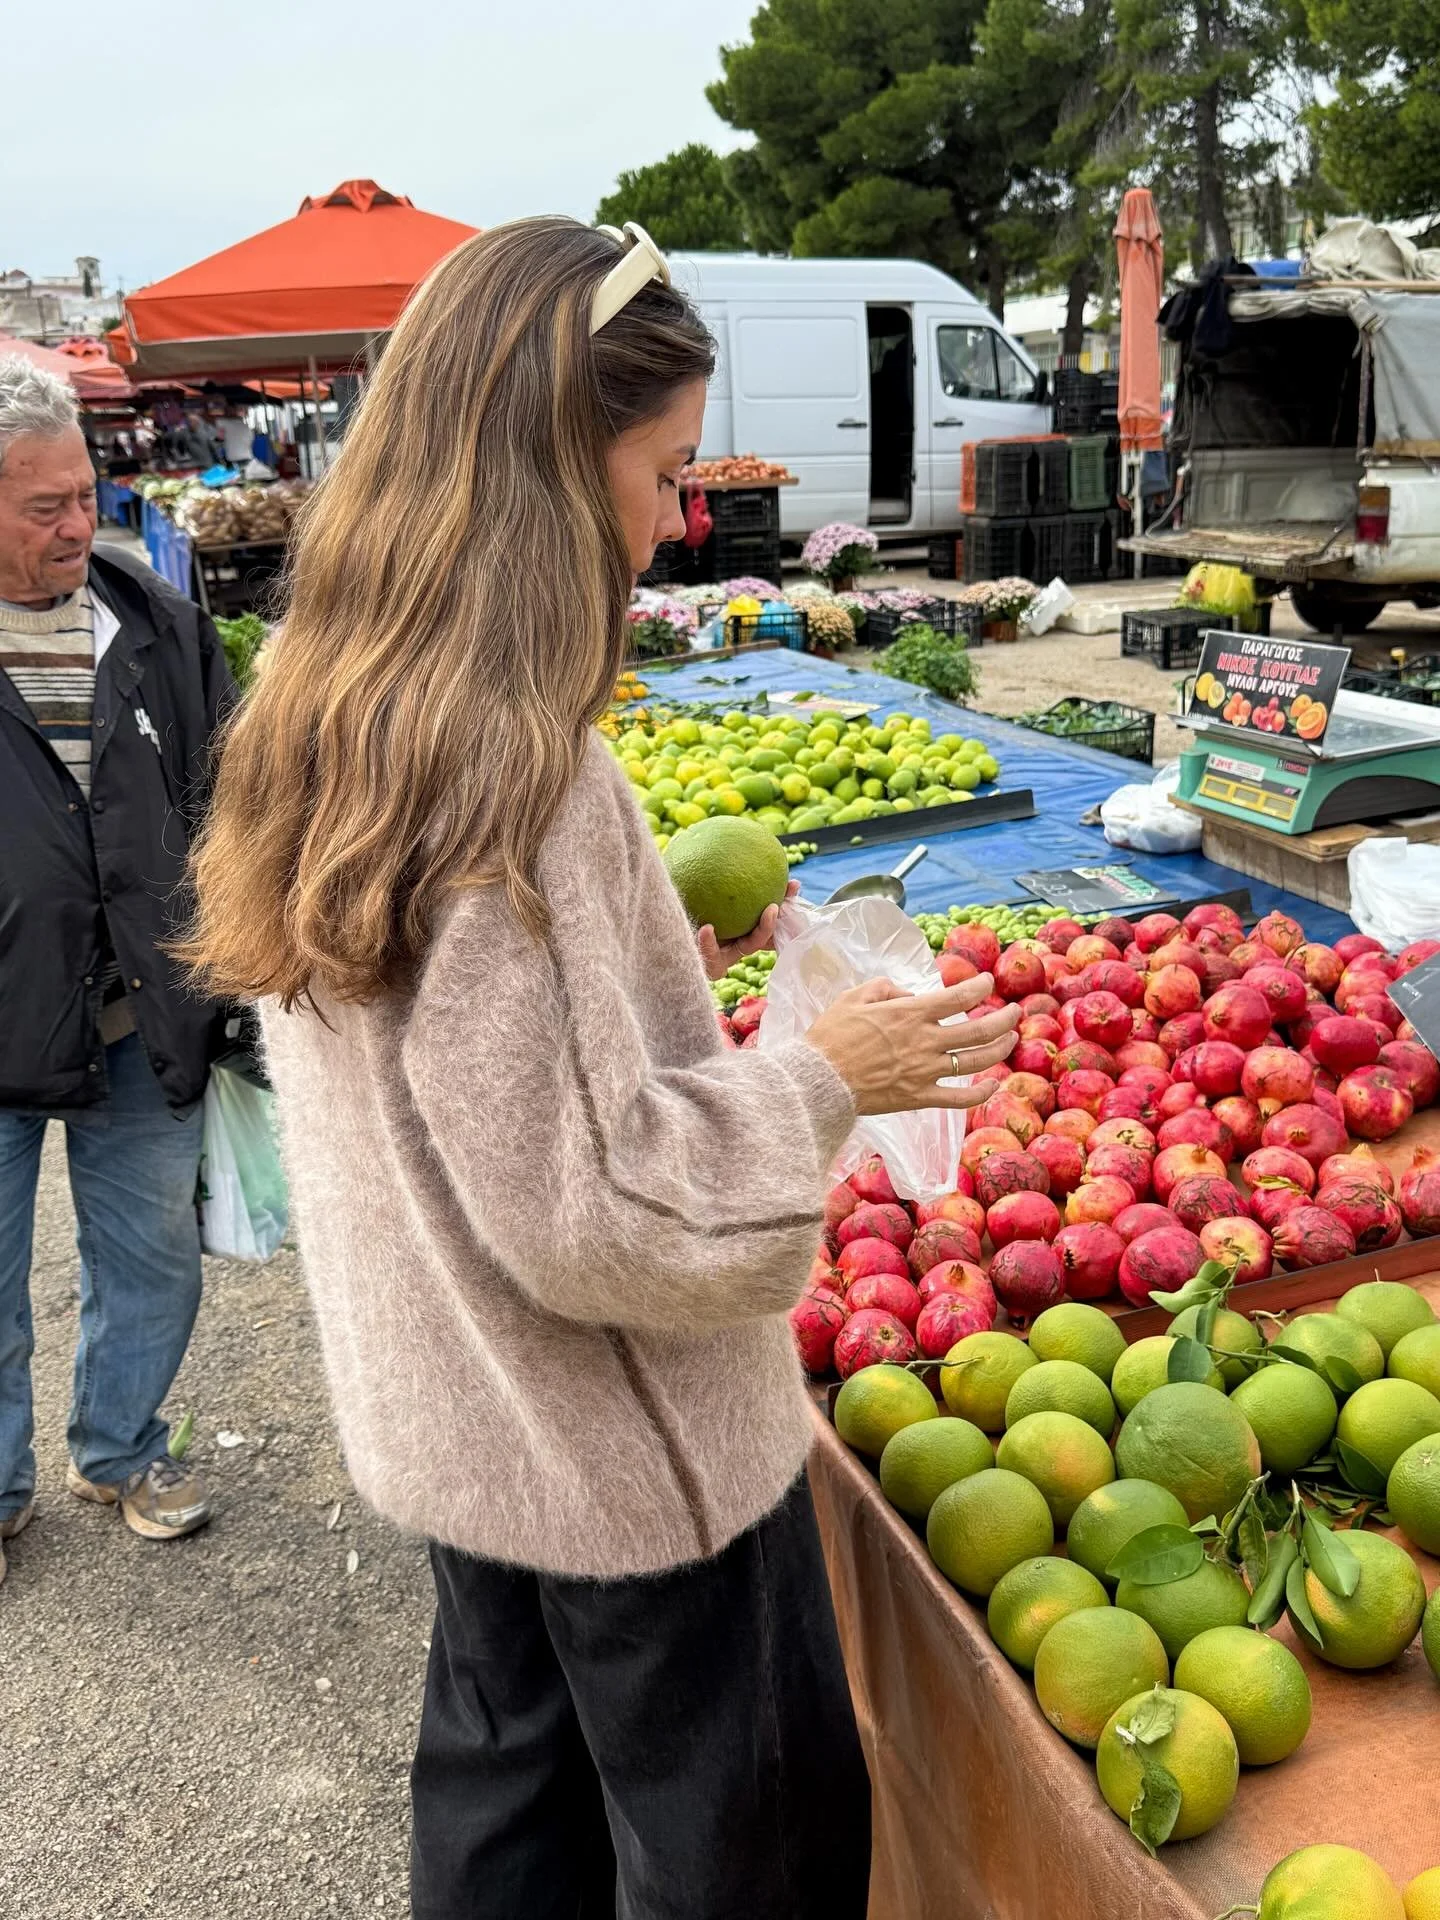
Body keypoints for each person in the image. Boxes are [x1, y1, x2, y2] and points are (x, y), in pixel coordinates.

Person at [178, 219, 1019, 1919]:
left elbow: (460, 1099)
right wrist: (822, 1074)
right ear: (554, 469)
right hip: (630, 1464)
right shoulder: (519, 775)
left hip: (467, 1430)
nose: (675, 520)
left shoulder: (324, 714)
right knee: (750, 1858)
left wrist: (650, 1001)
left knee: (505, 1823)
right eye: (662, 469)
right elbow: (595, 1204)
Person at [0, 356, 234, 1584]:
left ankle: (121, 1445)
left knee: (151, 1254)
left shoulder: (155, 623)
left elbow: (232, 799)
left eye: (86, 496)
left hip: (141, 1011)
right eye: (45, 508)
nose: (79, 525)